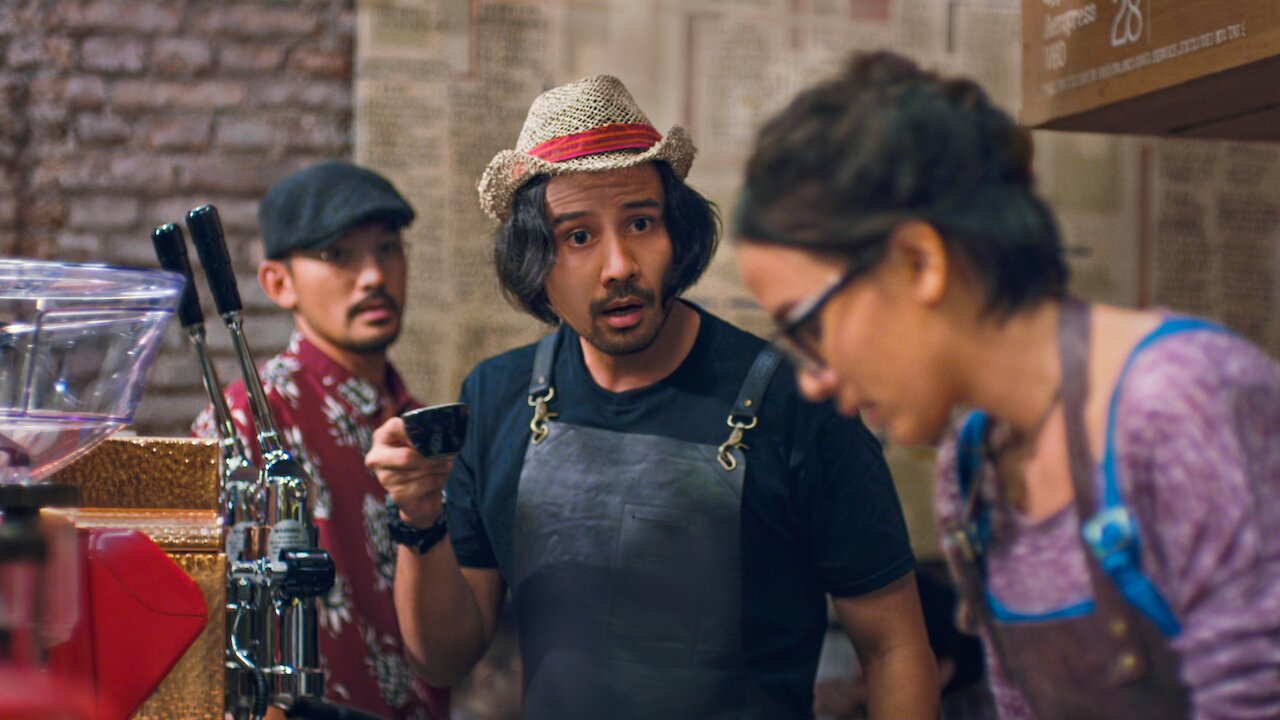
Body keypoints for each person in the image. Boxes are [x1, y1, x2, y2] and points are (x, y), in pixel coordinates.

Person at [366, 74, 938, 719]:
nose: (620, 266)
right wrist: (419, 514)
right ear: (535, 262)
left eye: (641, 222)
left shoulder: (800, 404)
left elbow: (894, 648)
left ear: (678, 234)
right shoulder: (497, 396)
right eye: (578, 237)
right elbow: (443, 658)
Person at [734, 50, 1280, 719]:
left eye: (809, 326)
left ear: (919, 262)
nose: (813, 380)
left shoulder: (1182, 399)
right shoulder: (970, 469)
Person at [192, 161, 449, 720]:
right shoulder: (246, 420)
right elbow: (213, 628)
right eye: (338, 255)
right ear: (278, 283)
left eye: (387, 248)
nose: (374, 276)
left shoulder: (421, 424)